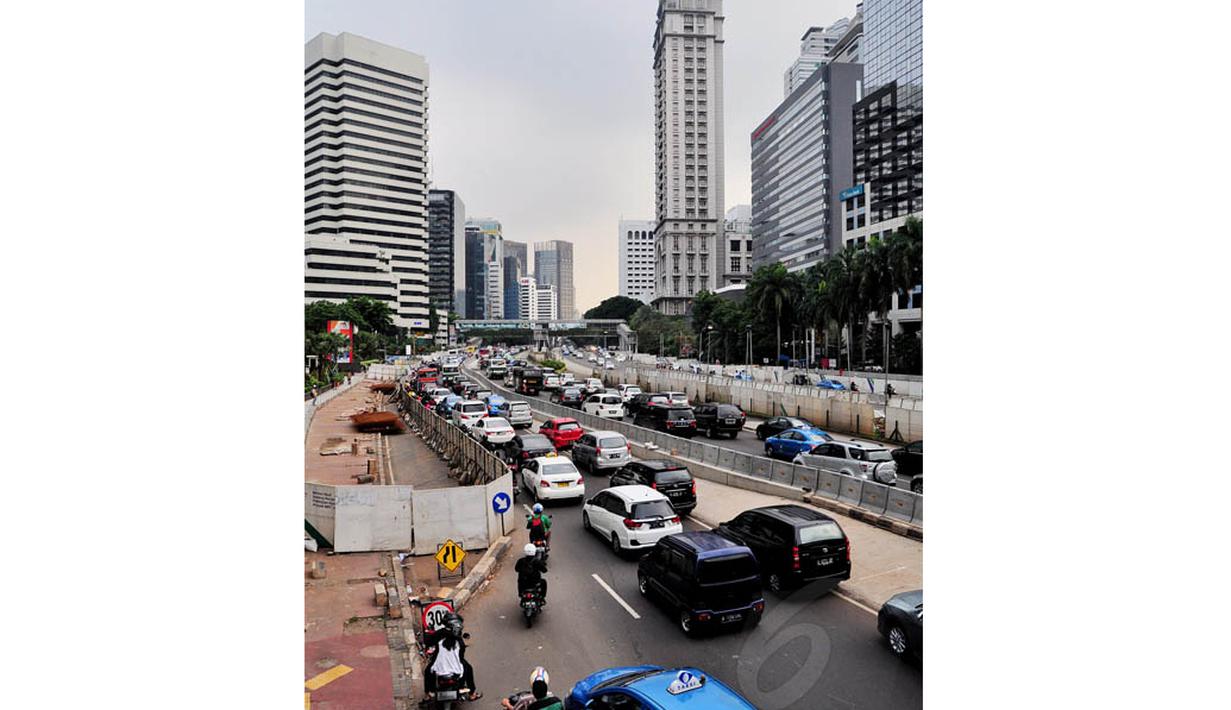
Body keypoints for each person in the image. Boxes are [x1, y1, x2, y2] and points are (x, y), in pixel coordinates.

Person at [424, 612, 481, 701]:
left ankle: (428, 694)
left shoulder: (440, 634)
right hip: (456, 671)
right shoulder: (459, 641)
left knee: (428, 671)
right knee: (468, 668)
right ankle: (472, 694)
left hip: (439, 670)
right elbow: (461, 656)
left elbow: (428, 642)